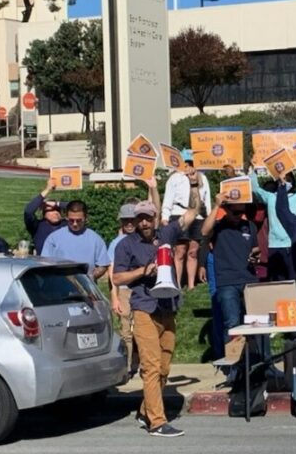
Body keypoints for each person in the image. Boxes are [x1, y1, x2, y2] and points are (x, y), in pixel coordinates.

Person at [112, 174, 202, 438]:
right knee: (151, 367)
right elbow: (117, 278)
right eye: (139, 218)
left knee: (163, 368)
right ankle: (157, 422)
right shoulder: (126, 245)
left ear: (154, 218)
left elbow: (192, 212)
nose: (143, 222)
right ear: (135, 220)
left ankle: (145, 411)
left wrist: (194, 186)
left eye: (147, 217)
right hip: (144, 309)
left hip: (168, 307)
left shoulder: (166, 233)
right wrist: (143, 271)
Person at [108, 178, 161, 378]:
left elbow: (155, 209)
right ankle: (129, 365)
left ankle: (139, 363)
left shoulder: (147, 237)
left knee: (140, 331)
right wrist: (114, 297)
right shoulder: (117, 243)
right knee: (126, 331)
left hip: (140, 291)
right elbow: (113, 273)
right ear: (121, 222)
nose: (130, 223)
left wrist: (152, 187)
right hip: (123, 290)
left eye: (133, 220)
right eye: (126, 220)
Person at [201, 191, 260, 344]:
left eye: (242, 212)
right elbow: (204, 231)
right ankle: (234, 366)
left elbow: (254, 248)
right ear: (227, 209)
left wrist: (255, 256)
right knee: (232, 325)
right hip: (227, 282)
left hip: (249, 280)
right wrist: (217, 205)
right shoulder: (219, 226)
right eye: (235, 212)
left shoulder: (250, 226)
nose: (239, 215)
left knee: (258, 325)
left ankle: (262, 364)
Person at [161, 149, 212, 290]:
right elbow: (168, 198)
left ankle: (191, 284)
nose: (189, 166)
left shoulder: (202, 178)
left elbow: (206, 199)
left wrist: (207, 217)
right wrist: (165, 217)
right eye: (186, 163)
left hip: (198, 215)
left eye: (191, 163)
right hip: (179, 213)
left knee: (193, 250)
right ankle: (177, 282)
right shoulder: (175, 178)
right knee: (180, 250)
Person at [250, 167, 296, 281]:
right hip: (275, 246)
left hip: (293, 246)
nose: (284, 182)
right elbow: (255, 188)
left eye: (287, 179)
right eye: (282, 179)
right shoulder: (270, 197)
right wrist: (254, 169)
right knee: (277, 281)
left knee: (295, 279)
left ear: (292, 181)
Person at [41, 200, 110, 281]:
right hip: (59, 286)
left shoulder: (95, 239)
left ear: (86, 218)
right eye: (71, 220)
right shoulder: (53, 238)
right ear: (66, 217)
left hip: (86, 288)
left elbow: (103, 265)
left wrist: (90, 277)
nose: (75, 224)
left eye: (79, 220)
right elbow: (44, 264)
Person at [23, 177, 67, 254]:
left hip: (66, 262)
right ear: (44, 214)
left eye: (57, 210)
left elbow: (80, 208)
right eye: (50, 210)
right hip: (44, 263)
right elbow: (28, 212)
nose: (55, 212)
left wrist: (58, 204)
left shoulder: (68, 224)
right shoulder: (37, 226)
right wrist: (48, 189)